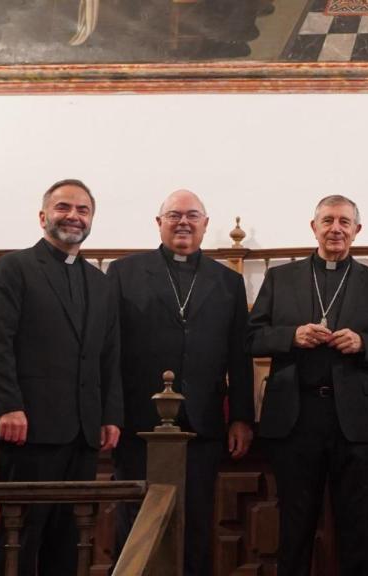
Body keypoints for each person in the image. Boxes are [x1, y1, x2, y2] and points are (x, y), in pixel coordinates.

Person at [247, 195, 368, 576]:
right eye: (328, 220)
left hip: (355, 421)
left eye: (344, 222)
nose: (336, 229)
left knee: (358, 526)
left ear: (357, 230)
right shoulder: (280, 278)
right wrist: (291, 336)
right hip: (296, 418)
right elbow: (251, 338)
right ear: (314, 227)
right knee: (295, 526)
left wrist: (364, 343)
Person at [0, 179, 122, 576]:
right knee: (20, 537)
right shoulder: (14, 268)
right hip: (29, 429)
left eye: (83, 210)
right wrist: (8, 406)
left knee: (69, 542)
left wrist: (110, 415)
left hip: (83, 433)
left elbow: (109, 354)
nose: (73, 216)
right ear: (43, 216)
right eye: (64, 207)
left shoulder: (100, 283)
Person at [108, 189, 253, 576]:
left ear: (206, 224)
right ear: (159, 223)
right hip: (138, 424)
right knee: (134, 525)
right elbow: (110, 351)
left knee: (196, 524)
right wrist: (110, 415)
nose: (183, 222)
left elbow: (239, 356)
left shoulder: (228, 281)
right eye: (174, 215)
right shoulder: (124, 273)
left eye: (192, 215)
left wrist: (241, 417)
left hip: (201, 424)